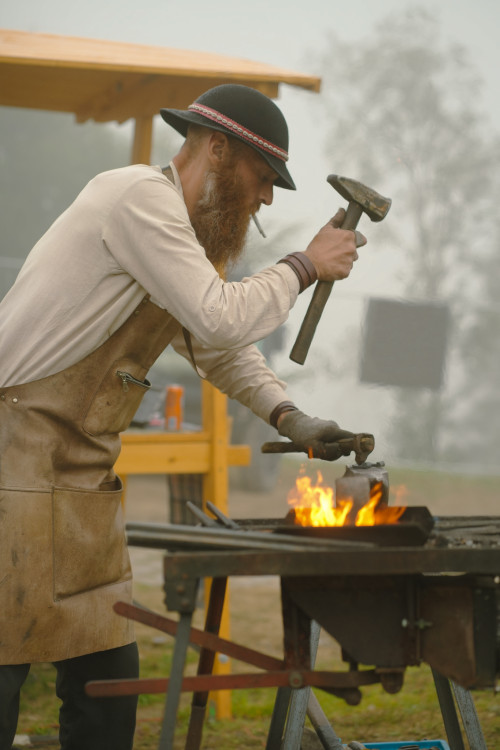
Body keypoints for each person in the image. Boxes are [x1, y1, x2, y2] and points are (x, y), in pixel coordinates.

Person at [0, 83, 370, 749]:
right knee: (2, 674)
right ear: (219, 150)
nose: (264, 199)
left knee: (107, 685)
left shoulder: (177, 241)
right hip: (12, 465)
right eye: (263, 179)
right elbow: (218, 312)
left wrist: (290, 416)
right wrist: (304, 266)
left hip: (80, 485)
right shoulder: (137, 198)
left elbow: (219, 347)